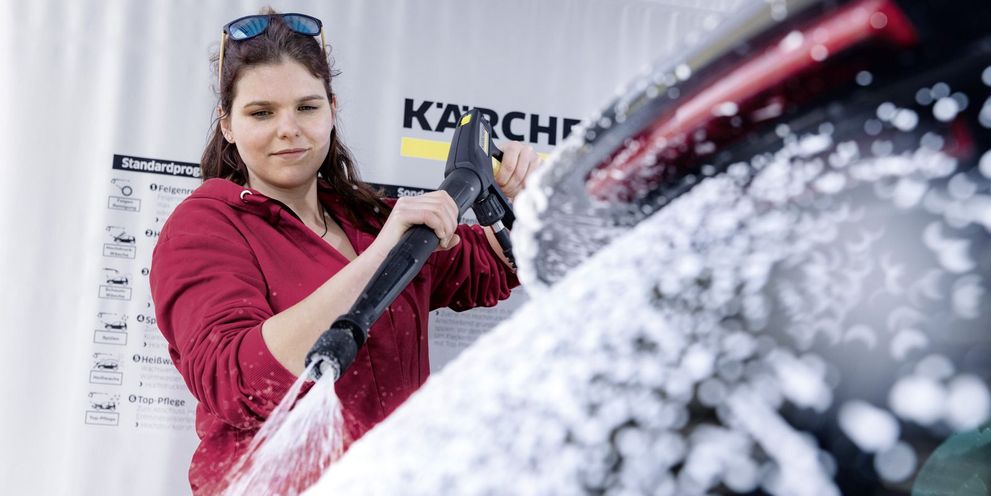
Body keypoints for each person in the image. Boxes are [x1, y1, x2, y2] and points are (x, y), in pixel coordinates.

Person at [149, 10, 539, 494]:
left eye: (307, 108)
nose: (288, 128)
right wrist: (380, 256)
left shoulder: (368, 217)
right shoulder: (204, 229)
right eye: (261, 112)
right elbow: (236, 382)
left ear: (332, 109)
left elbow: (490, 268)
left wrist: (526, 202)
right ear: (227, 125)